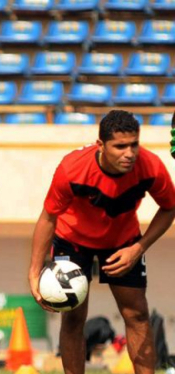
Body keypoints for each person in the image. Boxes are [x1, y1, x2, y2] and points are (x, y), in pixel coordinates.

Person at [29, 110, 175, 374]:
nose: (129, 153)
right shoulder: (72, 168)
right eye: (120, 146)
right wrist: (34, 271)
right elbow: (48, 218)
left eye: (133, 144)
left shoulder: (150, 166)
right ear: (101, 146)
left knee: (137, 314)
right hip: (73, 240)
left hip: (123, 242)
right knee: (73, 318)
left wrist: (138, 248)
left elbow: (169, 207)